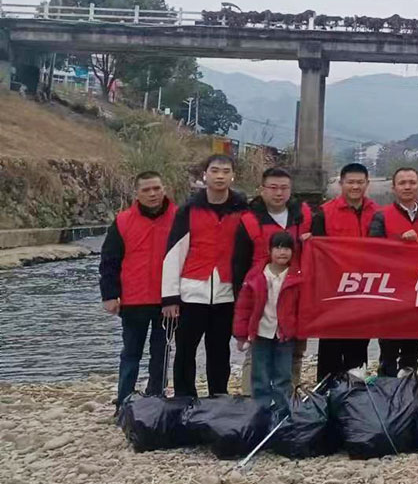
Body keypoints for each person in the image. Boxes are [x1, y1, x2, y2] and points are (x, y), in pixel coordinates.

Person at [162, 154, 249, 397]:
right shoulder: (188, 210)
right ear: (205, 175)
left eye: (225, 171)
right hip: (191, 292)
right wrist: (169, 297)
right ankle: (184, 399)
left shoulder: (243, 209)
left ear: (233, 176)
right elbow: (174, 253)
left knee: (220, 351)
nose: (220, 176)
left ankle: (218, 399)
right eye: (214, 171)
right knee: (185, 351)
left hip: (226, 293)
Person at [232, 167, 315, 394]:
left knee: (295, 352)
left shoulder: (303, 215)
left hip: (295, 293)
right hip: (261, 295)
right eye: (273, 187)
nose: (279, 193)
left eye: (284, 188)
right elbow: (239, 263)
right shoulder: (249, 219)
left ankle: (289, 399)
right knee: (255, 354)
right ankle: (251, 401)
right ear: (262, 189)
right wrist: (241, 300)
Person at [100, 171, 176, 409]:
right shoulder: (123, 221)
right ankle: (123, 401)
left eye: (156, 188)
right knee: (131, 353)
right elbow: (109, 260)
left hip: (167, 300)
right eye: (146, 190)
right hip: (133, 299)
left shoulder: (179, 218)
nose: (152, 194)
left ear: (164, 189)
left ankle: (156, 400)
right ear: (137, 193)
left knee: (161, 353)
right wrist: (109, 295)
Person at [315, 162, 379, 381]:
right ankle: (326, 395)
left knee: (358, 350)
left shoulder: (377, 213)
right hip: (334, 293)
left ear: (367, 183)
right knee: (330, 350)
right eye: (350, 182)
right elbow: (317, 254)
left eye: (360, 182)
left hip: (365, 292)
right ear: (341, 183)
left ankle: (355, 395)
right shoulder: (324, 213)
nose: (355, 187)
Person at [232, 232, 303, 411]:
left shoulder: (297, 276)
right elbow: (244, 307)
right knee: (260, 374)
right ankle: (260, 410)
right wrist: (241, 335)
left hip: (285, 334)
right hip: (261, 331)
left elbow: (304, 307)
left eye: (287, 248)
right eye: (278, 248)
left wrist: (300, 331)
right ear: (269, 251)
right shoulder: (256, 275)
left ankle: (282, 411)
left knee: (283, 375)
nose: (282, 252)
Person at [369, 167, 418, 378]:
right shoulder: (381, 216)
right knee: (388, 351)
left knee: (412, 352)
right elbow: (371, 251)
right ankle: (386, 390)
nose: (407, 187)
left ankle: (408, 390)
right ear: (394, 188)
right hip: (390, 293)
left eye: (412, 182)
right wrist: (399, 242)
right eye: (402, 183)